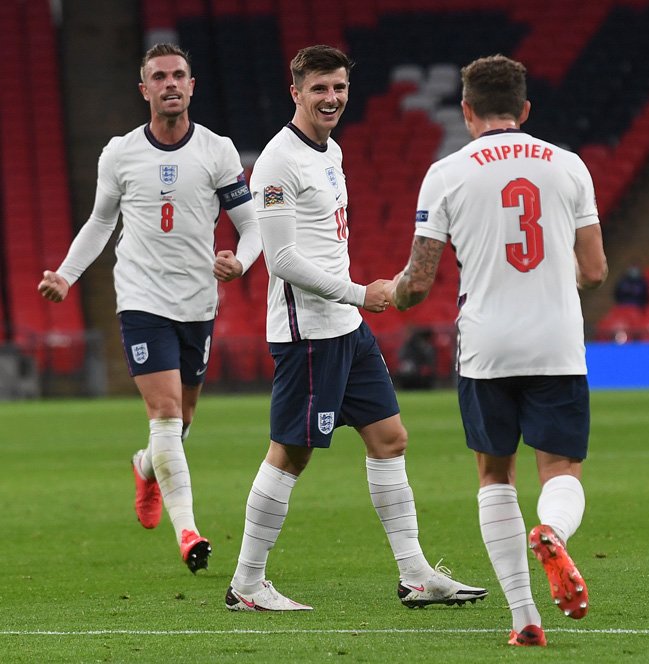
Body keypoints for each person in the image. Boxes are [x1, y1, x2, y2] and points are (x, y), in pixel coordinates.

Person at [224, 45, 487, 612]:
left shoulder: (333, 151)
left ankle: (415, 575)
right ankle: (246, 584)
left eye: (339, 87)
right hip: (310, 333)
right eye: (319, 88)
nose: (332, 98)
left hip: (346, 328)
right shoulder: (276, 162)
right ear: (295, 92)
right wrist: (361, 294)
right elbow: (283, 260)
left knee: (390, 439)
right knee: (291, 454)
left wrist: (353, 304)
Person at [391, 54, 608, 647]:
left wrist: (385, 296)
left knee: (494, 474)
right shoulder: (569, 167)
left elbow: (418, 281)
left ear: (466, 112)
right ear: (526, 109)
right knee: (560, 469)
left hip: (485, 345)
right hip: (556, 340)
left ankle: (524, 618)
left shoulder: (447, 173)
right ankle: (554, 532)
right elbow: (594, 269)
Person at [37, 43, 262, 573]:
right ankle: (188, 531)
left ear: (192, 85)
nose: (170, 84)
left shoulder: (217, 151)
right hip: (141, 297)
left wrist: (242, 262)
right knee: (163, 414)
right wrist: (66, 277)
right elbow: (99, 223)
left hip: (198, 302)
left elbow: (251, 226)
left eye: (178, 75)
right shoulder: (119, 154)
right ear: (144, 89)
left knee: (180, 423)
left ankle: (145, 467)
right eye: (158, 77)